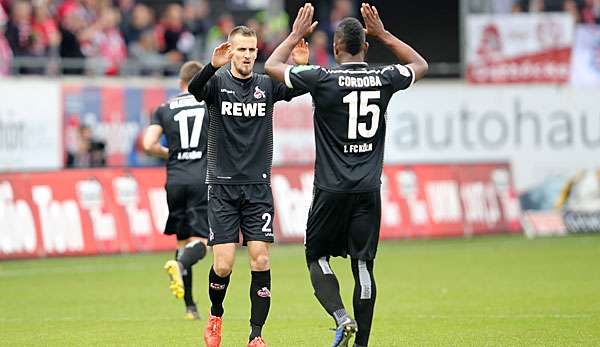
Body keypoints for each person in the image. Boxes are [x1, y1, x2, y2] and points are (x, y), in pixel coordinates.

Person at [265, 3, 428, 347]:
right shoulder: (384, 77)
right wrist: (384, 34)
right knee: (364, 267)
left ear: (336, 48)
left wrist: (296, 34)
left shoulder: (321, 78)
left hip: (330, 188)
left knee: (316, 256)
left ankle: (341, 316)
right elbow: (419, 64)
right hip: (368, 189)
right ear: (366, 47)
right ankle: (362, 345)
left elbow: (272, 66)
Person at [187, 25, 309, 347]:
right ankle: (216, 316)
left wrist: (300, 66)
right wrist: (211, 66)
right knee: (223, 264)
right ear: (230, 51)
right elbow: (194, 90)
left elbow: (298, 88)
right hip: (223, 187)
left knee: (261, 259)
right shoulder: (216, 84)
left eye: (252, 50)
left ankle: (256, 335)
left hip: (257, 187)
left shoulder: (266, 86)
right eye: (241, 49)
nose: (247, 55)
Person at [142, 61, 210, 321]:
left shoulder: (164, 108)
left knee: (182, 242)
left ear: (180, 81)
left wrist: (167, 152)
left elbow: (148, 144)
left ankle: (190, 307)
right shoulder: (207, 104)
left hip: (175, 181)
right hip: (201, 179)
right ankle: (181, 264)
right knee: (202, 242)